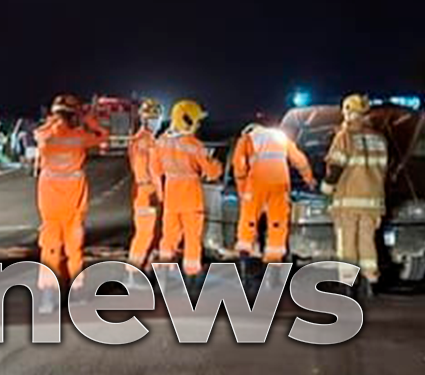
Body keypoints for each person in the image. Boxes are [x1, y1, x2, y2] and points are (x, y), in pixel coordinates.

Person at [34, 95, 108, 305]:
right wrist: (88, 120)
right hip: (73, 203)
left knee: (50, 247)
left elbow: (41, 131)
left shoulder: (44, 135)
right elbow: (103, 136)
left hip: (49, 203)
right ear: (74, 115)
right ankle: (76, 294)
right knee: (74, 249)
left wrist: (53, 119)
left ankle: (49, 296)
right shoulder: (80, 136)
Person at [322, 94, 389, 287]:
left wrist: (326, 189)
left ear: (348, 111)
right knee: (367, 240)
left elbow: (336, 167)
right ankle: (371, 278)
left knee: (347, 241)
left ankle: (347, 283)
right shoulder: (379, 139)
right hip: (373, 202)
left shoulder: (345, 136)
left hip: (349, 200)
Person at [230, 113, 316, 263]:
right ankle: (274, 256)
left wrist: (243, 189)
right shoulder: (281, 138)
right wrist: (309, 178)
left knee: (249, 216)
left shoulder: (247, 138)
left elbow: (239, 166)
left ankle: (245, 250)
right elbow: (299, 160)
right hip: (280, 183)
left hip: (257, 182)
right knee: (278, 219)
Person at [152, 99, 222, 278]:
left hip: (171, 197)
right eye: (197, 120)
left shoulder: (160, 142)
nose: (198, 124)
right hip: (191, 198)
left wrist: (161, 194)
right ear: (188, 120)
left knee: (168, 238)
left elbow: (156, 170)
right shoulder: (194, 145)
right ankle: (192, 274)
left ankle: (163, 274)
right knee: (192, 238)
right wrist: (216, 164)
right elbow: (212, 172)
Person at [127, 98, 164, 269]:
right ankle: (133, 272)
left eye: (157, 119)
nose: (156, 123)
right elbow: (149, 171)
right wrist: (159, 194)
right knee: (145, 234)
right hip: (147, 192)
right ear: (145, 120)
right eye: (153, 119)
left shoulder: (142, 139)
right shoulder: (145, 142)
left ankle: (146, 268)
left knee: (153, 233)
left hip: (146, 190)